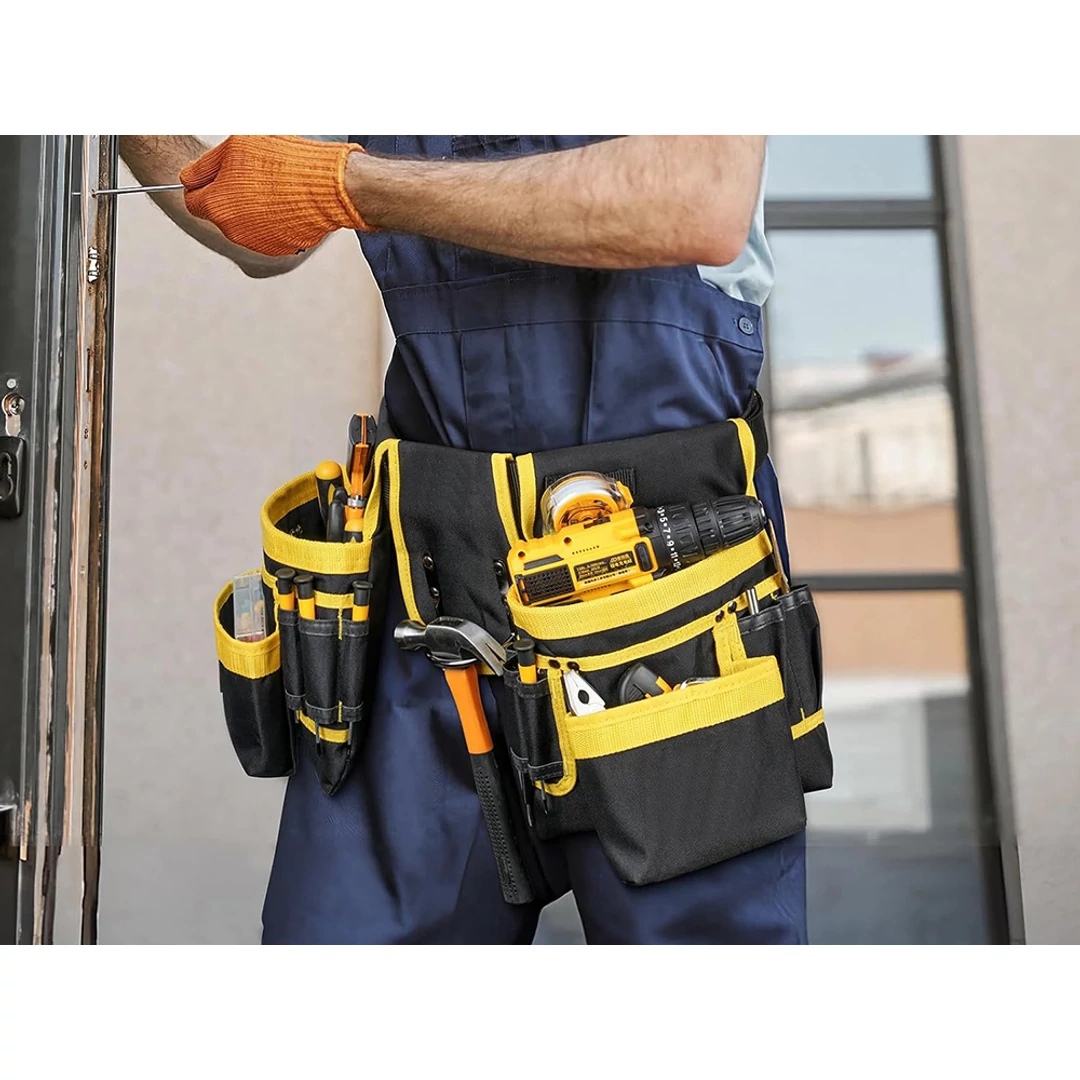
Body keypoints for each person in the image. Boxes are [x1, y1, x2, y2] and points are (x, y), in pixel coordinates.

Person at [121, 135, 805, 944]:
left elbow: (694, 199)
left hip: (663, 601)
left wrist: (353, 186)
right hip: (427, 596)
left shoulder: (369, 179)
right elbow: (266, 232)